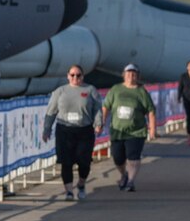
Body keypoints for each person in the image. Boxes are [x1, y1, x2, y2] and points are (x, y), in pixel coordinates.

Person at [43, 64, 103, 201]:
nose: (75, 78)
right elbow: (51, 112)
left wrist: (98, 123)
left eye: (78, 75)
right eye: (72, 75)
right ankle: (69, 191)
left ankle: (81, 184)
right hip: (65, 130)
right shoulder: (60, 91)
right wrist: (47, 129)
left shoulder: (90, 90)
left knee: (84, 162)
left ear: (83, 76)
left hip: (84, 130)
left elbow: (97, 108)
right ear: (68, 76)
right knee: (66, 162)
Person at [101, 64, 156, 193]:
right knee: (118, 158)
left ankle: (130, 181)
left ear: (137, 76)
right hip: (118, 131)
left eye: (134, 73)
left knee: (133, 157)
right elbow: (106, 107)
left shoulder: (141, 91)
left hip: (136, 131)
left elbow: (151, 111)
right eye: (128, 73)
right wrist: (101, 122)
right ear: (123, 75)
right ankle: (124, 174)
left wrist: (152, 129)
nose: (131, 76)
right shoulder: (115, 89)